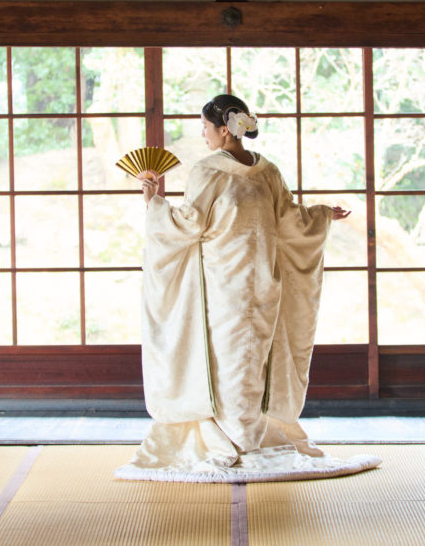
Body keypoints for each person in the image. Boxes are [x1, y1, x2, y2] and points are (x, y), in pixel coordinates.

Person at [115, 94, 380, 482]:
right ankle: (234, 435)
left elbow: (192, 223)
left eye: (206, 128)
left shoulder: (239, 172)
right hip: (232, 284)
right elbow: (290, 220)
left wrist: (154, 202)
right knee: (231, 359)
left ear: (225, 129)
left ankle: (245, 434)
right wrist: (154, 198)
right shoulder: (247, 171)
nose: (203, 135)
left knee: (249, 358)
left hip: (243, 284)